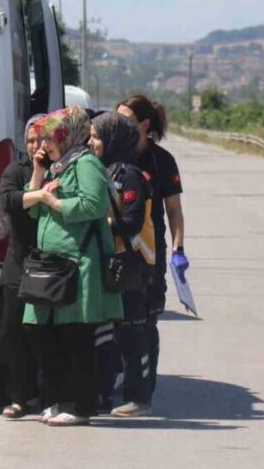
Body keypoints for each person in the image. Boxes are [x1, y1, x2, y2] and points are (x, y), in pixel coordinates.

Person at [22, 106, 123, 426]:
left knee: (75, 337)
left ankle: (78, 405)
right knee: (44, 332)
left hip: (80, 265)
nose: (44, 145)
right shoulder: (58, 166)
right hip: (53, 265)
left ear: (69, 136)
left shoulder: (86, 163)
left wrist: (55, 202)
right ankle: (57, 398)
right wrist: (39, 177)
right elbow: (32, 212)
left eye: (51, 138)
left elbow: (94, 204)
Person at [116, 95, 185, 398]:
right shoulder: (114, 154)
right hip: (117, 247)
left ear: (144, 124)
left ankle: (145, 385)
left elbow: (173, 211)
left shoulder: (161, 161)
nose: (119, 125)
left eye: (125, 119)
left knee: (147, 318)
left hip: (150, 251)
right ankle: (121, 377)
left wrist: (178, 250)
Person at [89, 112, 155, 416]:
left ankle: (138, 397)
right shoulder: (105, 170)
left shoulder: (128, 174)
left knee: (131, 334)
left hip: (129, 264)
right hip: (110, 262)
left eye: (96, 136)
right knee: (106, 333)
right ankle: (103, 394)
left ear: (113, 139)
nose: (91, 142)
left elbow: (131, 221)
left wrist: (95, 221)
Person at [0, 115, 46, 419]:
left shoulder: (61, 169)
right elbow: (11, 202)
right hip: (18, 263)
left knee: (44, 335)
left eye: (41, 139)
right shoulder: (15, 170)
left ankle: (50, 395)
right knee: (14, 333)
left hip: (51, 266)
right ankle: (21, 397)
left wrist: (41, 178)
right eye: (30, 139)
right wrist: (38, 188)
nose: (34, 145)